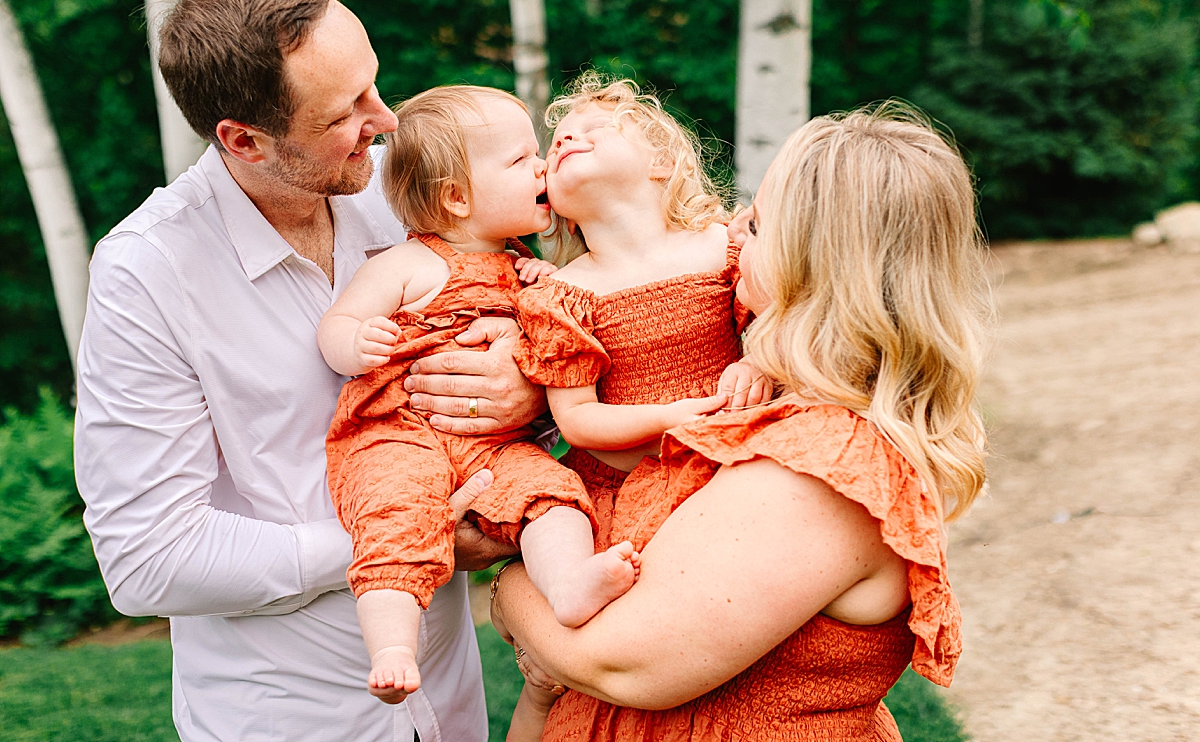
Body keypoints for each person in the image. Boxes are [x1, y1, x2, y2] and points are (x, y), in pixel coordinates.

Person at [73, 0, 532, 742]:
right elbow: (148, 556)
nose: (386, 121)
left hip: (454, 706)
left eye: (372, 83)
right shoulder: (148, 272)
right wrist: (410, 535)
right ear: (244, 139)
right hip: (293, 718)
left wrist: (524, 383)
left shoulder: (398, 189)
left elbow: (542, 303)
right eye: (345, 111)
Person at [491, 102, 992, 741]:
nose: (732, 233)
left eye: (755, 225)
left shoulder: (826, 462)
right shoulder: (790, 414)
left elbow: (622, 665)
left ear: (813, 258)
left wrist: (510, 585)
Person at [318, 85, 643, 704]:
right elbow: (335, 326)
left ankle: (568, 585)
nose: (545, 167)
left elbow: (555, 354)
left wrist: (537, 306)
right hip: (398, 431)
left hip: (495, 447)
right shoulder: (408, 263)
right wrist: (356, 343)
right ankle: (392, 646)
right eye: (522, 161)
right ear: (458, 197)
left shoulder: (529, 269)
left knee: (552, 493)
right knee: (396, 516)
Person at [506, 73, 769, 735]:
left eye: (595, 131)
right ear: (556, 206)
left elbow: (792, 318)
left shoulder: (730, 249)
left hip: (732, 481)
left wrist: (761, 358)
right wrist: (673, 417)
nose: (566, 136)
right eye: (559, 138)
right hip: (621, 498)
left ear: (662, 163)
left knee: (732, 648)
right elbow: (578, 422)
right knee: (606, 679)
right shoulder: (563, 293)